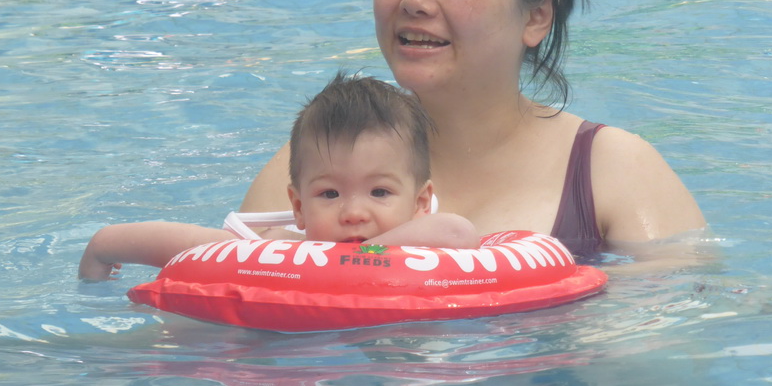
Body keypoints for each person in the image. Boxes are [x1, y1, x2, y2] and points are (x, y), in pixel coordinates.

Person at [241, 0, 706, 267]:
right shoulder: (316, 164)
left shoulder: (611, 172)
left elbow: (670, 347)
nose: (416, 0)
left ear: (535, 15)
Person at [79, 73, 478, 280]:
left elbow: (459, 235)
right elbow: (182, 244)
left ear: (421, 202)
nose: (354, 212)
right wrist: (104, 247)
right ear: (298, 207)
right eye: (329, 194)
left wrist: (351, 257)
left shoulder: (426, 240)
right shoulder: (280, 253)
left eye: (379, 191)